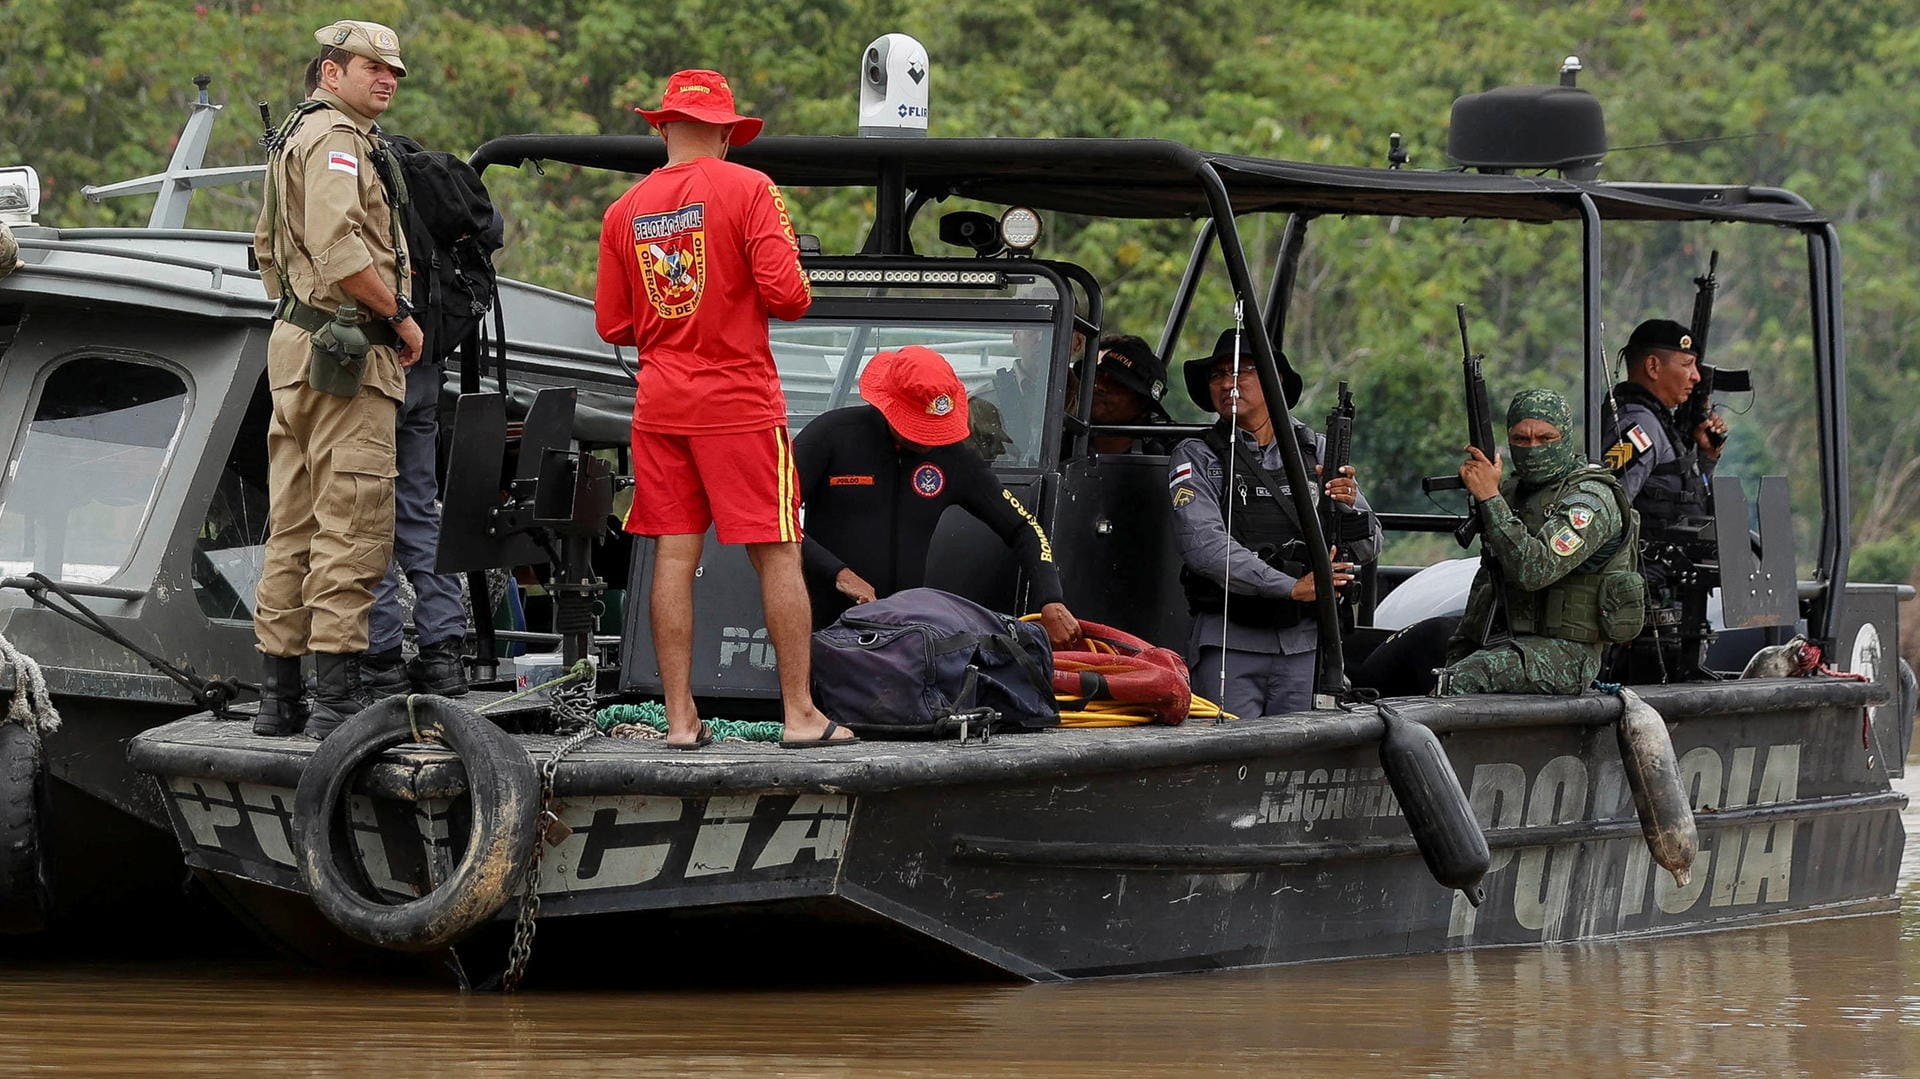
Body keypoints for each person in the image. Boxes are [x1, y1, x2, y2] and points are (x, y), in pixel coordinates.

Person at [595, 69, 852, 748]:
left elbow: (614, 323)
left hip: (659, 405)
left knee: (674, 560)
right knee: (778, 553)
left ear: (662, 126)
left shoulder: (623, 212)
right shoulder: (750, 188)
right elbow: (789, 295)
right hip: (737, 401)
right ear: (729, 135)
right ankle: (800, 714)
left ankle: (681, 721)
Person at [251, 20, 423, 739]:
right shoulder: (338, 141)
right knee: (351, 521)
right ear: (331, 72)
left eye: (393, 72)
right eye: (370, 68)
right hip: (345, 349)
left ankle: (280, 697)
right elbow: (339, 246)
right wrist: (402, 316)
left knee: (293, 525)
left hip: (297, 347)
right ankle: (335, 706)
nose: (385, 80)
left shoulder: (297, 135)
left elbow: (267, 252)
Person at [794, 346, 1082, 645]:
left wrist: (1050, 598)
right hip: (822, 628)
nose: (928, 441)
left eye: (935, 428)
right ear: (889, 404)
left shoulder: (954, 456)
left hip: (903, 635)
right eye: (918, 427)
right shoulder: (831, 435)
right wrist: (838, 573)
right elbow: (772, 516)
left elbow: (1023, 527)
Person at [1168, 329, 1381, 719]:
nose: (1227, 383)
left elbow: (1369, 548)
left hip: (1304, 646)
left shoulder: (1316, 449)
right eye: (1217, 375)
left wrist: (1348, 507)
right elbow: (1204, 547)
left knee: (1295, 769)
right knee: (1228, 762)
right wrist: (1289, 588)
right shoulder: (1198, 455)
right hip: (1231, 645)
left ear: (1274, 380)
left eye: (1241, 371)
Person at [1438, 389, 1639, 695]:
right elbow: (1489, 579)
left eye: (1545, 438)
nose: (1533, 448)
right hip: (1506, 639)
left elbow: (1535, 570)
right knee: (1423, 655)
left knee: (1465, 678)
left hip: (1568, 654)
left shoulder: (1590, 500)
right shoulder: (1513, 493)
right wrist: (1462, 645)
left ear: (1566, 436)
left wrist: (1490, 497)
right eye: (1521, 439)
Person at [1064, 334, 1176, 455]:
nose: (1100, 386)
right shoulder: (1061, 438)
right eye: (1099, 376)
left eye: (1115, 382)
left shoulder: (1163, 456)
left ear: (1143, 403)